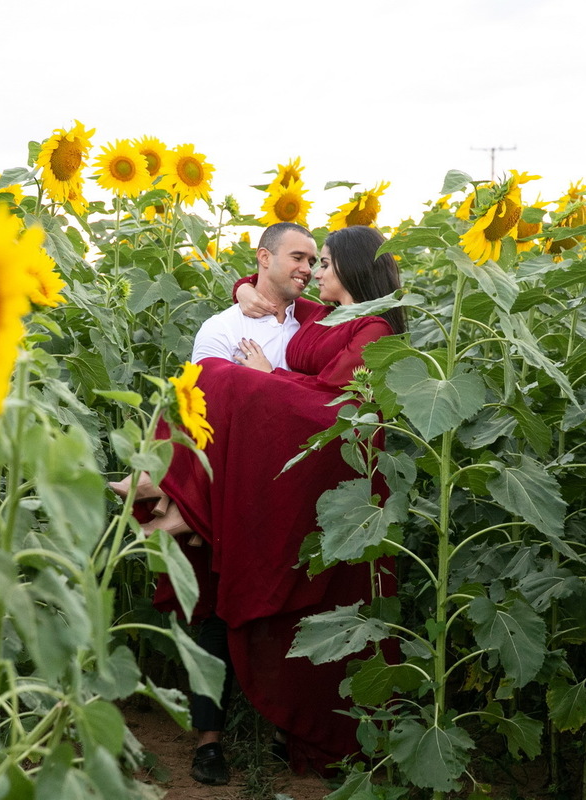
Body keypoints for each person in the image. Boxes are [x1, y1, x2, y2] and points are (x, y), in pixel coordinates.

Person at [119, 226, 405, 783]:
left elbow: (340, 405)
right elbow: (204, 402)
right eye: (302, 260)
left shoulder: (361, 325)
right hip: (250, 472)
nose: (313, 271)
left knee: (223, 377)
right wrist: (242, 288)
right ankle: (178, 494)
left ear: (349, 269)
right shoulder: (306, 316)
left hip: (312, 462)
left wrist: (266, 375)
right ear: (266, 259)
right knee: (207, 378)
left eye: (320, 262)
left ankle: (173, 494)